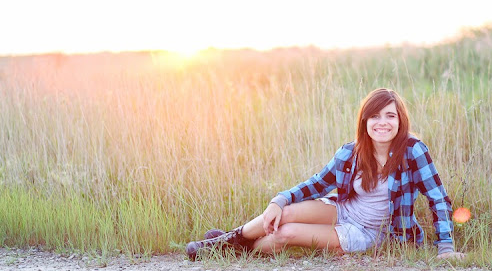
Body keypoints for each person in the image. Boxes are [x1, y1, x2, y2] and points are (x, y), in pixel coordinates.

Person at [186, 88, 464, 260]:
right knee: (288, 213)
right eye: (375, 116)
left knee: (286, 233)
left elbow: (438, 199)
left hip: (372, 233)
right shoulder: (351, 152)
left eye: (390, 116)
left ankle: (234, 248)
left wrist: (446, 247)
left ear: (400, 120)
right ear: (364, 121)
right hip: (342, 211)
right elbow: (318, 184)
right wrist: (279, 200)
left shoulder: (413, 151)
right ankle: (225, 243)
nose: (383, 123)